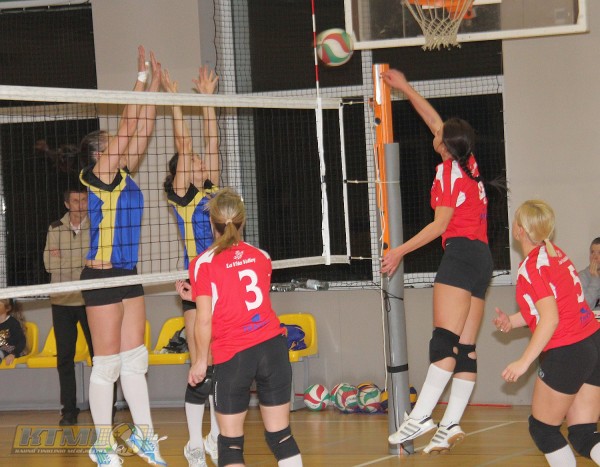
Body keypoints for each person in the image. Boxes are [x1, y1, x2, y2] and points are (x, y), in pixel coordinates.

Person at [381, 68, 495, 453]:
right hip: (482, 259)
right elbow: (434, 120)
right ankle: (450, 425)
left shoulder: (448, 172)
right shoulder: (468, 161)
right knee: (466, 346)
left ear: (445, 146)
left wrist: (399, 251)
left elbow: (439, 225)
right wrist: (404, 87)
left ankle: (422, 416)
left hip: (460, 255)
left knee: (443, 341)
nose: (435, 131)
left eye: (440, 135)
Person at [79, 46, 166, 467]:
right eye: (111, 141)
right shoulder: (97, 175)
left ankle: (144, 438)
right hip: (100, 277)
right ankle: (101, 444)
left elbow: (142, 126)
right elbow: (129, 124)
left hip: (128, 273)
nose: (119, 140)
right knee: (107, 365)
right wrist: (141, 78)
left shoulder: (124, 175)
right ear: (100, 153)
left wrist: (157, 87)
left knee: (136, 361)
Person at [185, 188, 303, 467]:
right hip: (273, 349)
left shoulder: (203, 263)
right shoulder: (262, 256)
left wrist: (200, 362)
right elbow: (242, 296)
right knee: (281, 436)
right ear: (243, 221)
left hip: (235, 354)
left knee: (230, 444)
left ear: (211, 222)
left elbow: (204, 318)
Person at [493, 200, 600, 466]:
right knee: (583, 435)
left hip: (570, 350)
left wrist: (523, 362)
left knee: (543, 430)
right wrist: (512, 321)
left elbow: (550, 319)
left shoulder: (532, 268)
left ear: (519, 230)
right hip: (593, 342)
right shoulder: (555, 254)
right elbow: (553, 308)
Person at [162, 65, 220, 467]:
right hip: (194, 286)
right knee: (200, 364)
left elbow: (211, 141)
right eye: (192, 160)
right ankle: (194, 443)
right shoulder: (181, 196)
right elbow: (185, 144)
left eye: (200, 160)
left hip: (222, 285)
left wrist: (208, 100)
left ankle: (215, 436)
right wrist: (176, 102)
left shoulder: (212, 190)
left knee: (219, 364)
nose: (199, 160)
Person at [43, 187, 93, 426]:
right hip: (61, 301)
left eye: (84, 200)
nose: (80, 205)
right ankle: (69, 411)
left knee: (100, 356)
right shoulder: (54, 228)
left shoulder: (97, 227)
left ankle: (105, 407)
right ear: (67, 204)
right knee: (65, 358)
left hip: (89, 300)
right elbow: (49, 264)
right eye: (75, 201)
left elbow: (95, 262)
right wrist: (80, 262)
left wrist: (64, 257)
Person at [0, 299, 27, 366]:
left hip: (10, 350)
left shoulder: (13, 323)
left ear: (7, 308)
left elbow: (21, 341)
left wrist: (13, 354)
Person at [579, 237, 600, 319]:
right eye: (592, 252)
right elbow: (584, 308)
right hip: (591, 322)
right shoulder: (582, 276)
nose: (595, 257)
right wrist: (595, 280)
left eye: (599, 253)